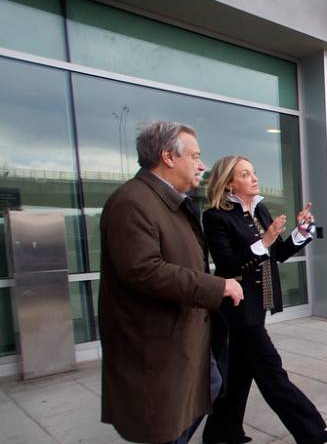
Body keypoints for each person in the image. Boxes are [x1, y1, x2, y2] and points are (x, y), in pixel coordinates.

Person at [98, 121, 244, 443]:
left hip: (183, 334)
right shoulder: (133, 202)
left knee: (209, 387)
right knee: (165, 422)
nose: (201, 165)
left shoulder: (169, 202)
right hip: (157, 341)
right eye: (195, 156)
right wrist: (217, 286)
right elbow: (143, 270)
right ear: (168, 156)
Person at [201, 156, 327, 444]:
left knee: (240, 370)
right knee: (272, 369)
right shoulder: (215, 216)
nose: (254, 177)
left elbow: (278, 254)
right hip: (237, 308)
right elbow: (227, 265)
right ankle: (311, 431)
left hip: (258, 303)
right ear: (229, 184)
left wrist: (301, 231)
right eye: (245, 174)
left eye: (254, 172)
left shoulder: (259, 208)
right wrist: (264, 241)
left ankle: (221, 432)